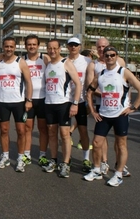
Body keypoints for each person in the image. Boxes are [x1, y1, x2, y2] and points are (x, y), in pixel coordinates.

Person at [84, 46, 140, 187]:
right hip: (104, 114)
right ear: (103, 57)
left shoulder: (124, 72)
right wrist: (93, 110)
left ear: (117, 56)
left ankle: (118, 174)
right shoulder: (100, 74)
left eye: (113, 55)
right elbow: (89, 92)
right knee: (97, 143)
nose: (110, 57)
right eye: (107, 55)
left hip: (120, 114)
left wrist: (134, 107)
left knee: (121, 144)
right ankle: (96, 170)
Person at [85, 37, 128, 176]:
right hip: (101, 104)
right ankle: (103, 162)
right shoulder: (94, 65)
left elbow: (126, 85)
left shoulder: (119, 61)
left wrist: (130, 104)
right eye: (99, 47)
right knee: (100, 138)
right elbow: (89, 86)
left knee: (119, 139)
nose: (102, 49)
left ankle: (120, 165)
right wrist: (106, 95)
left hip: (119, 107)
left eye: (104, 46)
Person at [0, 37, 33, 173]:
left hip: (18, 102)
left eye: (11, 47)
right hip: (3, 101)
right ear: (3, 47)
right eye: (6, 46)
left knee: (21, 131)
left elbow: (29, 82)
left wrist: (29, 100)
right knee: (4, 131)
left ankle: (21, 158)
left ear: (15, 48)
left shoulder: (21, 62)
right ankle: (5, 156)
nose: (9, 49)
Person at [42, 39, 81, 178]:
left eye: (55, 48)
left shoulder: (66, 63)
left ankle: (65, 163)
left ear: (59, 49)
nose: (52, 51)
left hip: (63, 103)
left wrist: (75, 103)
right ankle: (53, 160)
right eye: (50, 48)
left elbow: (78, 83)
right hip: (49, 103)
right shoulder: (47, 64)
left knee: (64, 135)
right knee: (52, 133)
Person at [22, 35, 50, 167]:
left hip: (43, 99)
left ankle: (42, 155)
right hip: (28, 99)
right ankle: (26, 154)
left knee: (43, 129)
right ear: (25, 46)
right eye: (29, 44)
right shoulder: (22, 61)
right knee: (28, 128)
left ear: (38, 46)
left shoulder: (45, 59)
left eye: (34, 44)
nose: (31, 46)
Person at [66, 37, 92, 172]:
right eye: (71, 45)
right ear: (67, 47)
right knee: (65, 132)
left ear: (80, 47)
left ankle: (86, 159)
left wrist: (90, 100)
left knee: (83, 131)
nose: (73, 47)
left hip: (81, 100)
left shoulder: (87, 61)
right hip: (65, 100)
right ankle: (67, 158)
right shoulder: (64, 61)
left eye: (76, 45)